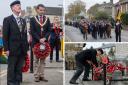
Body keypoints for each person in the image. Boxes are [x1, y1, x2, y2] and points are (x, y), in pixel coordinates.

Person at [3, 1, 29, 85]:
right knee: (11, 69)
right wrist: (6, 49)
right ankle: (10, 83)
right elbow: (5, 36)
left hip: (22, 49)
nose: (19, 7)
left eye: (20, 5)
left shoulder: (23, 20)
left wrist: (26, 48)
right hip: (12, 49)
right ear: (12, 8)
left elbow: (24, 35)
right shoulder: (7, 19)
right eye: (17, 5)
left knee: (18, 69)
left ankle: (17, 83)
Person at [30, 4, 51, 82]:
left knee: (43, 61)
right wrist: (39, 39)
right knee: (36, 60)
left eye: (43, 10)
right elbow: (32, 31)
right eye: (40, 10)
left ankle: (42, 76)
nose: (42, 11)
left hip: (44, 43)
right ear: (37, 10)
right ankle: (36, 76)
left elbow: (49, 29)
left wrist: (45, 38)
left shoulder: (47, 19)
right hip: (36, 43)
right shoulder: (32, 19)